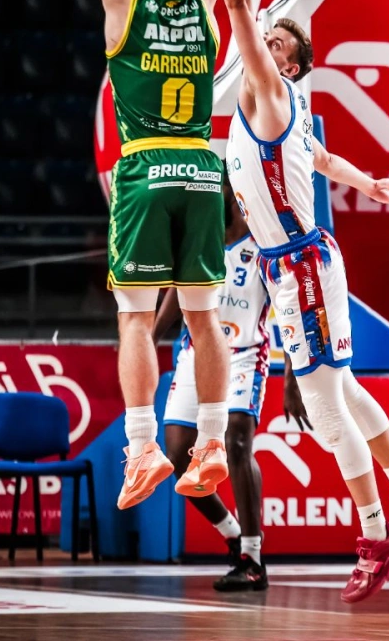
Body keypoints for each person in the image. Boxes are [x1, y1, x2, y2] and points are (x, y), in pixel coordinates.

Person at [205, 0, 389, 603]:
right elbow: (322, 159)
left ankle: (377, 533)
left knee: (325, 409)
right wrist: (372, 185)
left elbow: (237, 3)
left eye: (275, 38)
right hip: (299, 263)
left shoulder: (270, 92)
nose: (262, 38)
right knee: (341, 387)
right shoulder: (286, 110)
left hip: (299, 266)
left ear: (289, 61)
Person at [97, 0, 232, 509]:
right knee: (204, 321)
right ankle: (211, 442)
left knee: (135, 319)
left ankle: (143, 446)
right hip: (204, 168)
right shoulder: (205, 4)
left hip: (145, 165)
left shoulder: (122, 5)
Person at [154, 178, 275, 591]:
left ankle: (253, 558)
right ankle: (233, 535)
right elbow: (180, 289)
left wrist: (294, 378)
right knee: (177, 455)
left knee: (238, 442)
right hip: (197, 351)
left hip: (245, 353)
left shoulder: (264, 240)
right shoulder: (199, 235)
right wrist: (151, 336)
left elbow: (290, 307)